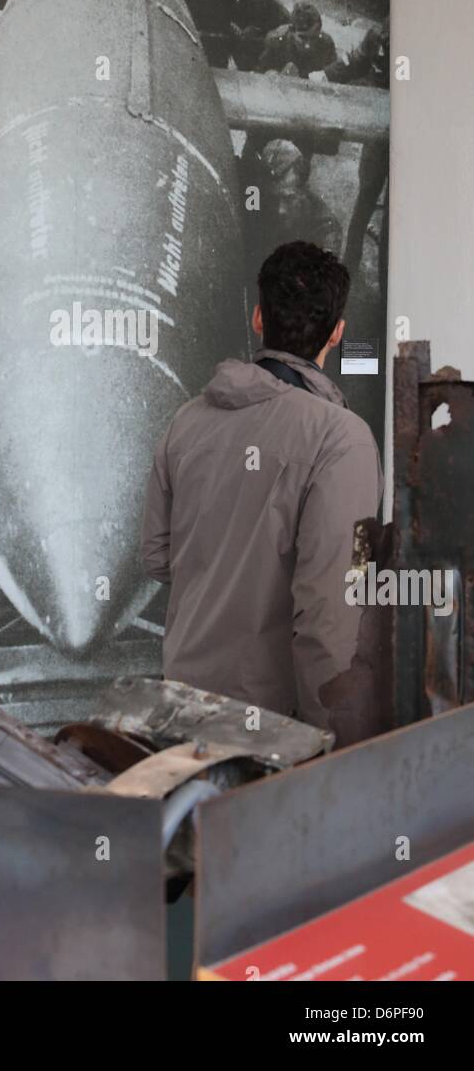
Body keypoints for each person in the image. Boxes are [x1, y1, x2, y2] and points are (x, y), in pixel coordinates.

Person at [141, 240, 383, 748]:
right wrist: (337, 747)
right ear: (337, 333)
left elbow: (159, 558)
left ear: (258, 318)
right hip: (270, 738)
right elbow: (329, 615)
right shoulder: (341, 439)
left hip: (182, 715)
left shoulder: (186, 422)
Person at [325, 17, 390, 277]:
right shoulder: (376, 37)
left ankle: (387, 277)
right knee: (366, 195)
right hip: (378, 132)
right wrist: (325, 75)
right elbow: (355, 61)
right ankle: (351, 261)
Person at [229, 0, 290, 70]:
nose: (243, 0)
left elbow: (283, 47)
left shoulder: (280, 14)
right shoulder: (240, 7)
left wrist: (259, 38)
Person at [257, 0, 337, 78]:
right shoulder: (277, 43)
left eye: (313, 37)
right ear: (292, 32)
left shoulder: (326, 44)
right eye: (303, 38)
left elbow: (334, 77)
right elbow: (258, 74)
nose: (308, 44)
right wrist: (270, 74)